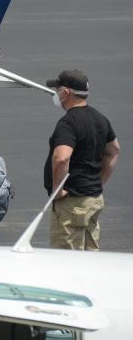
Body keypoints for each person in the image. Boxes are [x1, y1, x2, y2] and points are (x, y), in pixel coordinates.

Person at [45, 70, 121, 250]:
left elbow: (62, 158)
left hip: (72, 203)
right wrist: (98, 182)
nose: (56, 94)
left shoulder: (69, 122)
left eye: (57, 90)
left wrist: (57, 190)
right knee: (89, 257)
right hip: (93, 200)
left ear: (65, 93)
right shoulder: (100, 118)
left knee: (66, 261)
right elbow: (114, 150)